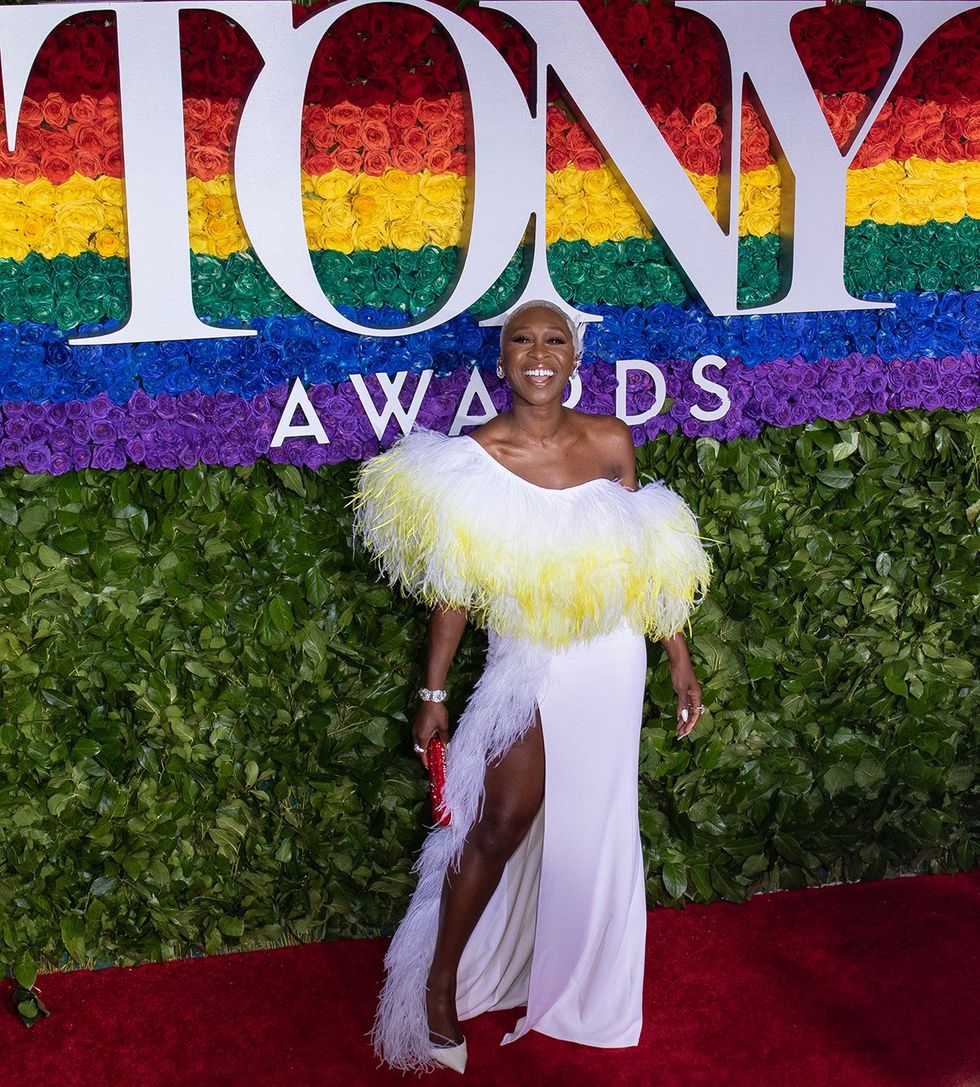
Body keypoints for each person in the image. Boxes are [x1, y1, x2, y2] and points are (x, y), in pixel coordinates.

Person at [353, 300, 710, 1074]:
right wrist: (433, 694)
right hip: (528, 659)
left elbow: (644, 559)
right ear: (503, 358)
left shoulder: (612, 439)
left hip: (611, 656)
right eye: (523, 340)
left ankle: (577, 985)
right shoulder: (476, 455)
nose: (538, 353)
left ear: (576, 357)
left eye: (554, 340)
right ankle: (440, 985)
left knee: (596, 821)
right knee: (502, 815)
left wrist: (677, 654)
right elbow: (452, 590)